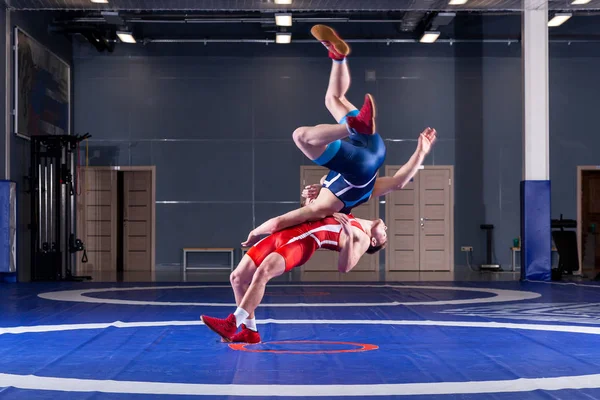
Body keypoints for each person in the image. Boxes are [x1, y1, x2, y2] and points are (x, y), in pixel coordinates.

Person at [242, 25, 437, 248]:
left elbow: (398, 183)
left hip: (375, 150)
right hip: (361, 162)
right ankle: (352, 128)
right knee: (300, 137)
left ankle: (338, 56)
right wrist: (254, 234)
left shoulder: (348, 198)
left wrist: (421, 151)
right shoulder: (327, 206)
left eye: (385, 236)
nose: (386, 231)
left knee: (333, 99)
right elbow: (279, 222)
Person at [201, 213, 387, 344]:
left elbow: (345, 267)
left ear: (374, 241)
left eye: (385, 234)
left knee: (262, 273)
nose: (386, 227)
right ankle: (250, 332)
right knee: (237, 278)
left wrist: (346, 235)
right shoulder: (354, 216)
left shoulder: (362, 238)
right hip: (284, 234)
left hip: (305, 241)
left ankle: (232, 323)